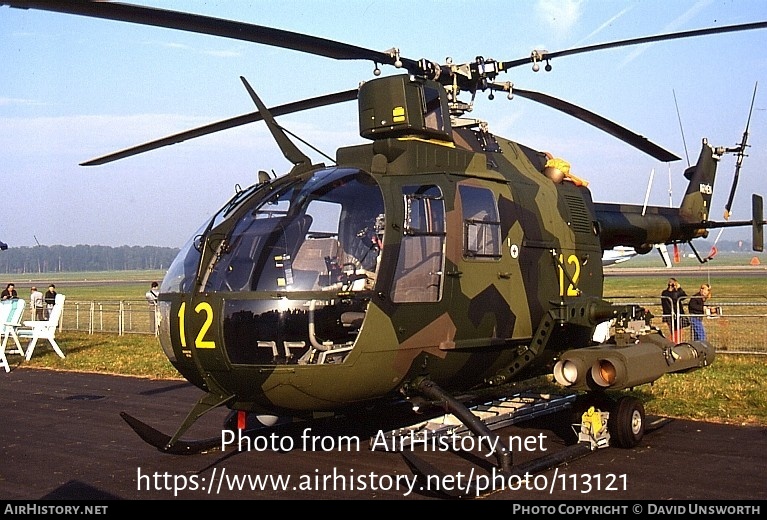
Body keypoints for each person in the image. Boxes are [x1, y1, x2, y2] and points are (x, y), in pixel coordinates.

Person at [660, 277, 687, 343]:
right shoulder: (670, 293)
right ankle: (673, 344)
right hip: (673, 314)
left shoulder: (665, 292)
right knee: (676, 332)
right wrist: (679, 288)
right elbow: (678, 297)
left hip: (670, 314)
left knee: (676, 332)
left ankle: (675, 343)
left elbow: (684, 297)